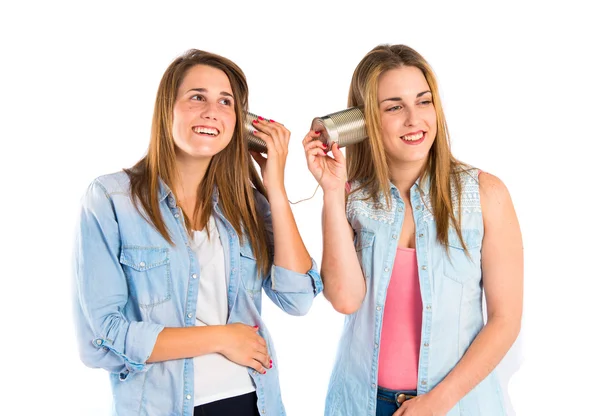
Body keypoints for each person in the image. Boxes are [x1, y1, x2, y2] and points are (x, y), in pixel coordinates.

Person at [73, 49, 322, 416]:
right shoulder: (112, 199)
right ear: (167, 110)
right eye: (197, 97)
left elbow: (297, 298)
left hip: (254, 403)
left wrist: (276, 190)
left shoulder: (248, 204)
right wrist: (222, 338)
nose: (212, 112)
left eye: (226, 102)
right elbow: (101, 341)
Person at [303, 44, 523, 416]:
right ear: (365, 120)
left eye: (423, 102)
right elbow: (344, 299)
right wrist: (330, 193)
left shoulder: (486, 194)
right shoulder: (349, 197)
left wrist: (438, 401)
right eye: (393, 107)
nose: (413, 119)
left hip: (455, 405)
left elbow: (505, 321)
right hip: (358, 403)